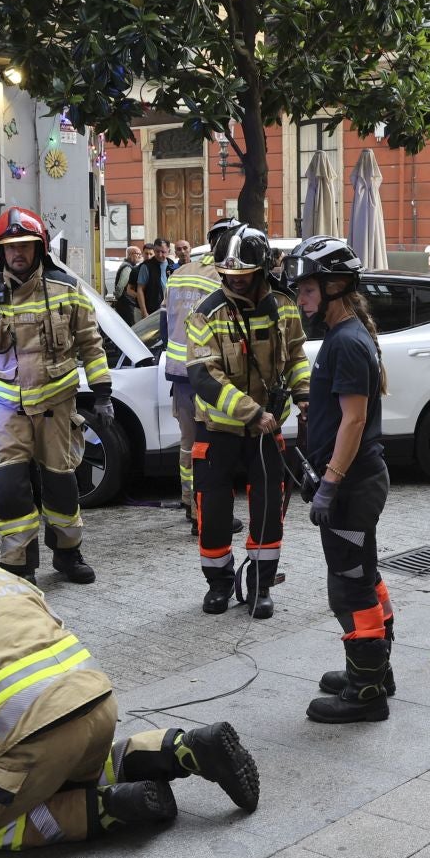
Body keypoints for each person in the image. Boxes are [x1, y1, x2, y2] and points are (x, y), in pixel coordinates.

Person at [0, 488, 262, 846]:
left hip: (28, 740)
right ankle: (183, 748)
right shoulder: (3, 579)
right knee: (81, 766)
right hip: (97, 709)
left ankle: (113, 810)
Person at [0, 206, 110, 584]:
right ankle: (18, 564)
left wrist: (102, 392)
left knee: (61, 486)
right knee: (9, 489)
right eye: (10, 247)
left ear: (40, 247)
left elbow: (91, 344)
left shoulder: (66, 288)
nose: (17, 253)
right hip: (7, 410)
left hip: (57, 407)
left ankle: (68, 554)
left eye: (25, 245)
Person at [287, 235, 397, 724]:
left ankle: (366, 690)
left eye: (308, 291)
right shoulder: (345, 337)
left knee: (349, 586)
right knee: (362, 574)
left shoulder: (348, 341)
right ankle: (375, 669)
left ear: (335, 287)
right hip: (356, 482)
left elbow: (355, 421)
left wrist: (329, 482)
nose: (301, 300)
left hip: (352, 487)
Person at [186, 224, 310, 618]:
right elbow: (204, 377)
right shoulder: (206, 313)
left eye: (242, 276)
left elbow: (295, 358)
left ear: (260, 271)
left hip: (267, 433)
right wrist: (252, 413)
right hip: (219, 430)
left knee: (269, 509)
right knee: (214, 512)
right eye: (228, 276)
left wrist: (304, 395)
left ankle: (260, 585)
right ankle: (219, 585)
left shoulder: (283, 307)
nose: (234, 282)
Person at [164, 220, 238, 534]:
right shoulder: (224, 278)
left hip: (179, 372)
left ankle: (188, 500)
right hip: (208, 373)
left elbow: (166, 318)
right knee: (211, 447)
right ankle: (203, 514)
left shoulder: (179, 273)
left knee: (188, 443)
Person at [134, 236, 168, 323]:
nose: (160, 255)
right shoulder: (146, 266)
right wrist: (144, 312)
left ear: (168, 251)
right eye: (157, 251)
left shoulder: (171, 265)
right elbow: (140, 289)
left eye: (163, 252)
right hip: (150, 310)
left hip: (166, 310)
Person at [112, 244, 142, 318]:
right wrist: (118, 298)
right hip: (125, 304)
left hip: (125, 303)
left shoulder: (129, 266)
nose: (139, 256)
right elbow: (120, 286)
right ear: (129, 255)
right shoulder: (127, 268)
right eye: (137, 254)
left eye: (140, 254)